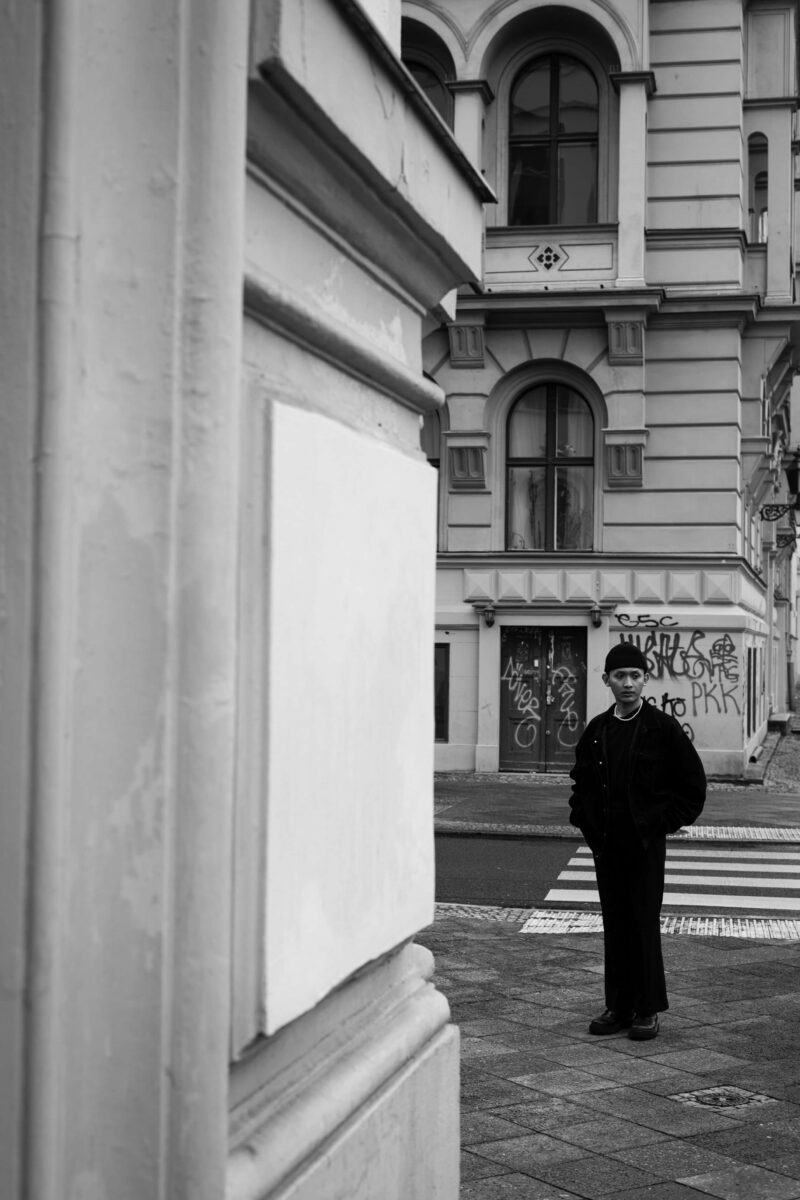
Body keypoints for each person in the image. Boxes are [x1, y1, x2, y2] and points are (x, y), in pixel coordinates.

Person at [568, 642, 706, 1040]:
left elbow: (692, 788)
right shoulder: (598, 730)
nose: (627, 683)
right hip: (607, 844)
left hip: (644, 844)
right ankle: (618, 1006)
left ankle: (647, 1010)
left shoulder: (662, 728)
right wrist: (585, 821)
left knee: (643, 923)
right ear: (606, 680)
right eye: (619, 676)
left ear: (645, 679)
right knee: (615, 923)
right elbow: (582, 782)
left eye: (634, 675)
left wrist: (660, 825)